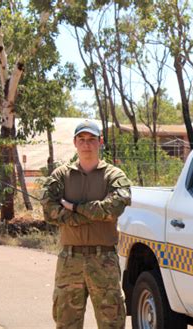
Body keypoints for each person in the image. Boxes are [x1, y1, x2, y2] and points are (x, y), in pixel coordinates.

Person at [41, 120, 131, 329]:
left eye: (91, 139)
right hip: (69, 260)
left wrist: (74, 207)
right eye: (81, 139)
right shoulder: (61, 176)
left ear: (100, 142)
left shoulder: (114, 176)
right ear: (75, 142)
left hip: (104, 260)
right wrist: (90, 214)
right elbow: (48, 211)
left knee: (112, 322)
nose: (86, 144)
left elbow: (113, 208)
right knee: (66, 322)